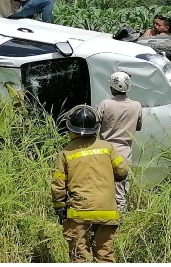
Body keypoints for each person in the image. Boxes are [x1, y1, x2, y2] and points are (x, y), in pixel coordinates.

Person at [52, 104, 129, 263]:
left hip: (78, 213)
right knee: (105, 254)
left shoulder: (65, 153)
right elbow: (122, 171)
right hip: (107, 212)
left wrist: (60, 208)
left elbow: (58, 186)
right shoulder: (107, 148)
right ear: (96, 127)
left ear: (70, 128)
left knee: (79, 256)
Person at [96, 71, 142, 214]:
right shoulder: (136, 106)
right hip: (124, 152)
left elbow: (95, 123)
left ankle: (102, 217)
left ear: (112, 87)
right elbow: (138, 127)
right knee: (120, 186)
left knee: (102, 185)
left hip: (105, 150)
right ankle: (119, 219)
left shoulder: (105, 104)